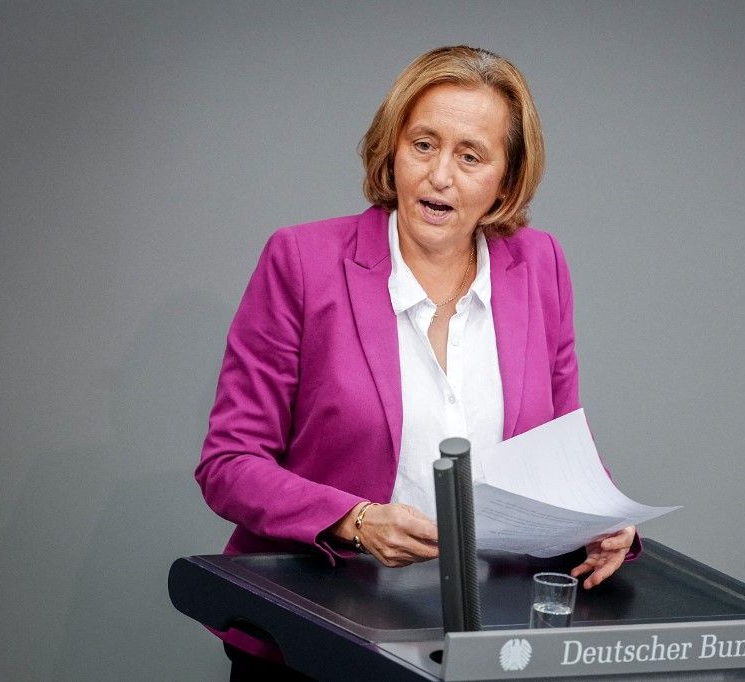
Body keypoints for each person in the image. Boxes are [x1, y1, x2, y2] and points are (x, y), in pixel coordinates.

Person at [196, 45, 641, 676]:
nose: (439, 176)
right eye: (424, 144)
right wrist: (354, 520)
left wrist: (601, 523)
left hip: (485, 640)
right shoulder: (302, 262)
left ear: (506, 180)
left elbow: (563, 453)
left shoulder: (540, 266)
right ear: (392, 148)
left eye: (470, 156)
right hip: (317, 634)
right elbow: (229, 464)